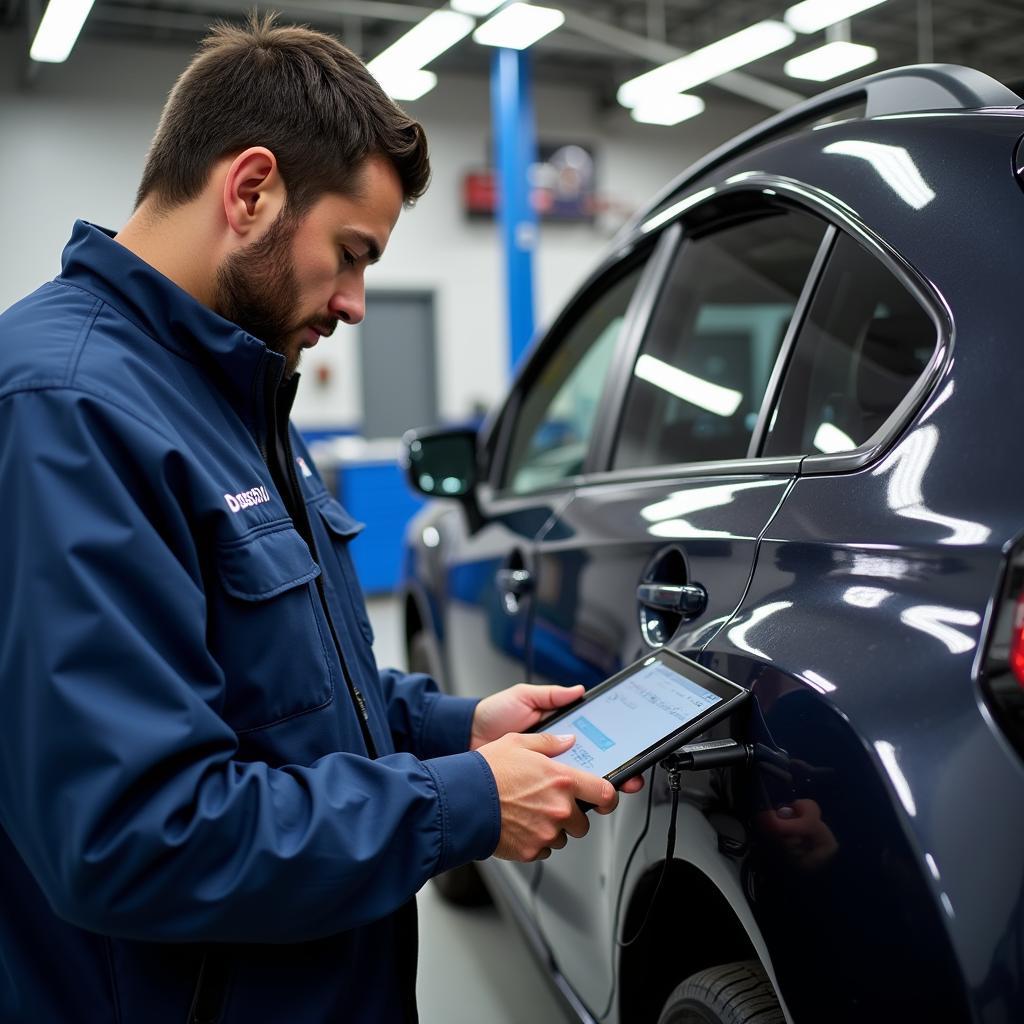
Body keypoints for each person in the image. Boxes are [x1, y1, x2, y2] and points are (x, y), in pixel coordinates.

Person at [0, 15, 641, 1024]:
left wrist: (449, 725)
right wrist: (462, 802)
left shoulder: (236, 390)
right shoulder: (68, 411)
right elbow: (134, 834)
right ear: (250, 190)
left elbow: (275, 694)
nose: (353, 303)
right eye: (350, 253)